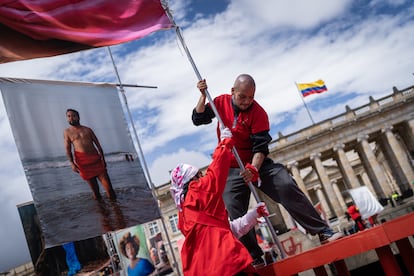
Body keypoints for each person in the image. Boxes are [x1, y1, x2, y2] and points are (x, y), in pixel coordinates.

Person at [192, 74, 344, 265]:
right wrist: (203, 95)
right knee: (232, 207)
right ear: (232, 92)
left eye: (251, 97)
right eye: (242, 97)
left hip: (257, 162)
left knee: (285, 183)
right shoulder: (220, 102)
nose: (247, 101)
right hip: (231, 168)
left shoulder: (259, 113)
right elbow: (198, 118)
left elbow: (260, 147)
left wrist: (254, 169)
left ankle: (322, 231)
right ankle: (254, 257)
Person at [170, 127, 268, 275]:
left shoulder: (184, 213)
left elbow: (225, 231)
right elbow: (216, 171)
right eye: (199, 174)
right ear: (191, 180)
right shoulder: (196, 191)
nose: (202, 176)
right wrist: (224, 143)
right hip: (225, 264)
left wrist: (253, 215)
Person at [64, 108, 116, 200]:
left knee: (110, 190)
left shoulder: (87, 129)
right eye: (69, 116)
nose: (71, 118)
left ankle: (117, 211)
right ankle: (103, 213)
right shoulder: (67, 132)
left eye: (73, 116)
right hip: (83, 163)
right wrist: (72, 164)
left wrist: (103, 159)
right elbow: (68, 149)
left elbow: (98, 145)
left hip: (96, 161)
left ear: (78, 117)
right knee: (96, 193)